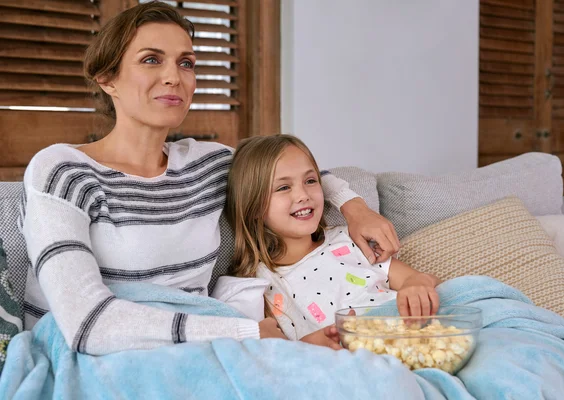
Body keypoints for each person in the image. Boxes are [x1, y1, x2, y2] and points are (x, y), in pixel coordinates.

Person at [18, 1, 400, 355]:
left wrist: (355, 209)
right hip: (96, 355)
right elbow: (83, 323)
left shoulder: (207, 165)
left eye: (186, 63)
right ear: (107, 78)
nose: (174, 77)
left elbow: (298, 172)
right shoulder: (62, 171)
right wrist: (247, 335)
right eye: (152, 60)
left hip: (198, 348)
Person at [226, 135, 440, 349]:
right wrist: (308, 346)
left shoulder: (348, 240)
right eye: (283, 187)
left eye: (310, 181)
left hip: (416, 333)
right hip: (357, 360)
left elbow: (418, 279)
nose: (303, 195)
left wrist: (417, 285)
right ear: (252, 206)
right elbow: (268, 355)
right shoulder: (257, 284)